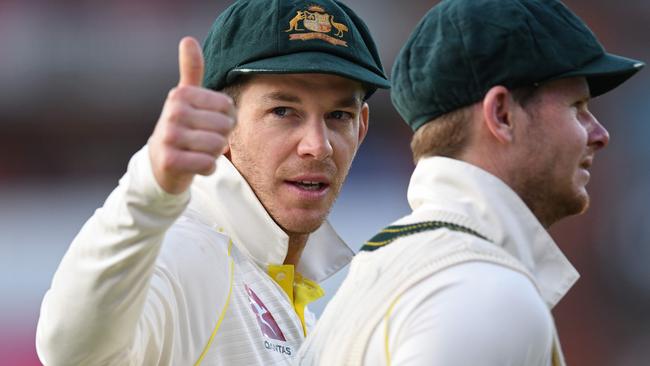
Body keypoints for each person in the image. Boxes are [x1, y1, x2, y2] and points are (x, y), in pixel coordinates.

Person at [35, 0, 389, 365]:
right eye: (283, 111)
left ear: (361, 129)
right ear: (220, 123)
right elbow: (70, 351)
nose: (318, 145)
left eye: (338, 115)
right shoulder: (185, 254)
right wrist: (149, 190)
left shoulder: (280, 288)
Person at [295, 0, 644, 365]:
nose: (600, 134)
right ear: (502, 115)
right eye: (577, 107)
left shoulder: (395, 267)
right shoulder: (483, 289)